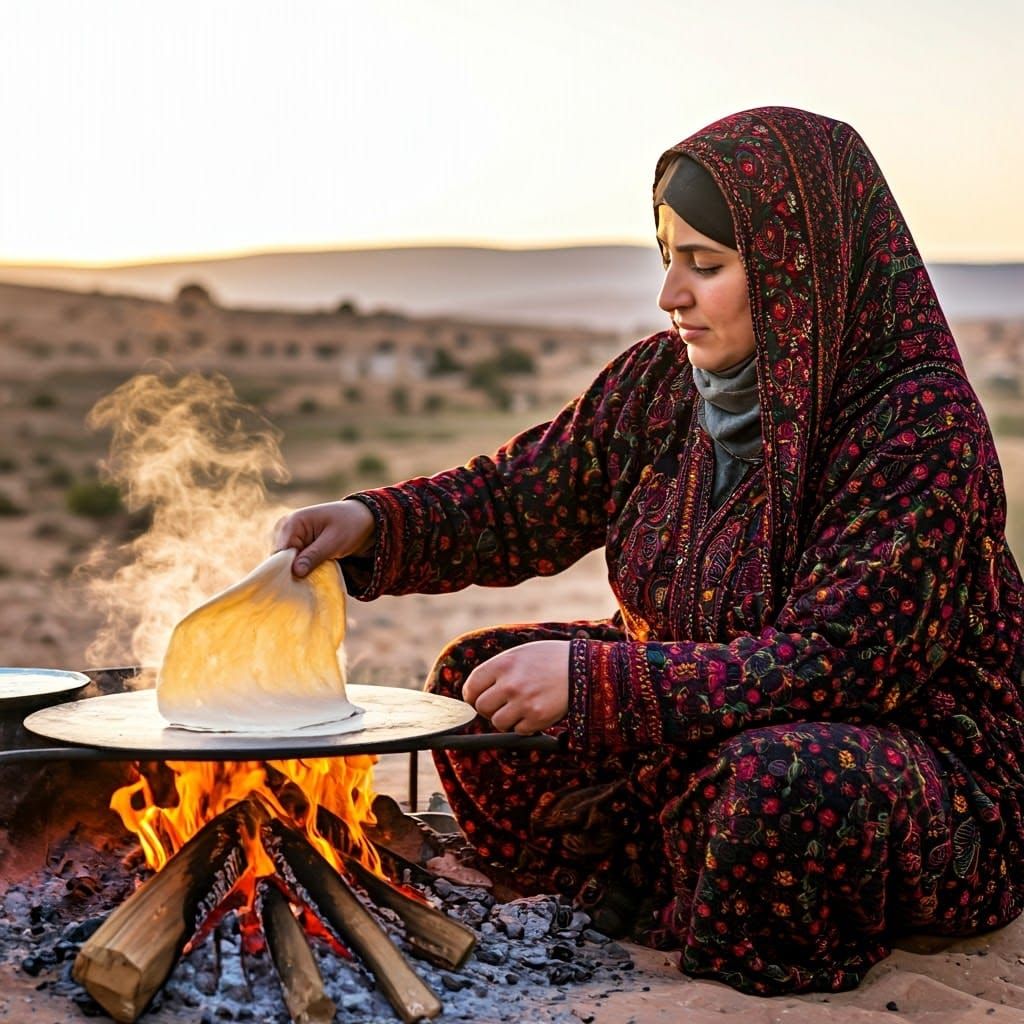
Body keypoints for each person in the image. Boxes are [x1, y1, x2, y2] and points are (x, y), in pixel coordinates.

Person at [273, 106, 1024, 995]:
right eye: (666, 257)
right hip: (698, 717)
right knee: (477, 680)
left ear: (800, 272)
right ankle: (664, 881)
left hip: (892, 760)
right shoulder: (662, 383)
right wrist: (374, 522)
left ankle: (714, 908)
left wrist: (599, 686)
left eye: (705, 266)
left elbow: (839, 662)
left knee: (783, 783)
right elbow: (523, 496)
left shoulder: (920, 429)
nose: (672, 294)